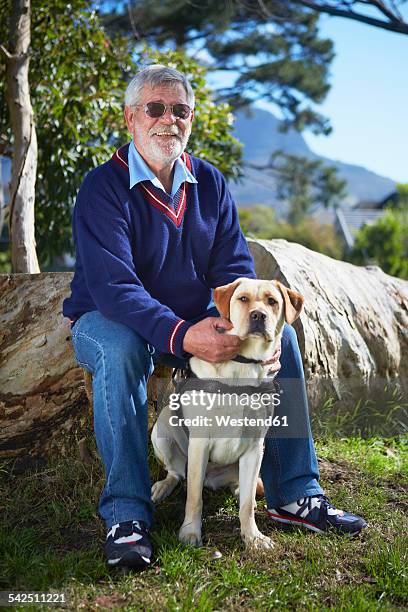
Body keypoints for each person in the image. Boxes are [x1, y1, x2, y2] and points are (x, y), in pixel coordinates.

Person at [63, 65, 366, 571]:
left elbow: (233, 272)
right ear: (130, 117)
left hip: (190, 321)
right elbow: (114, 289)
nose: (168, 120)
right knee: (119, 352)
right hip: (107, 318)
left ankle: (294, 493)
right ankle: (127, 515)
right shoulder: (102, 188)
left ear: (191, 118)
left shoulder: (209, 182)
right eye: (155, 109)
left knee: (278, 339)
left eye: (180, 110)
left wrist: (233, 328)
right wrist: (184, 336)